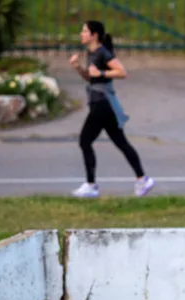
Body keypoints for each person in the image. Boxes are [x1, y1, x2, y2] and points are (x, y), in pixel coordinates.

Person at [69, 20, 155, 198]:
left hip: (102, 104)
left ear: (94, 35)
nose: (81, 34)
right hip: (101, 104)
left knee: (85, 141)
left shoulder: (102, 53)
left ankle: (91, 185)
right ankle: (142, 179)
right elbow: (91, 78)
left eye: (84, 31)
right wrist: (78, 67)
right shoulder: (91, 53)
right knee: (121, 142)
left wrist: (101, 73)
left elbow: (122, 72)